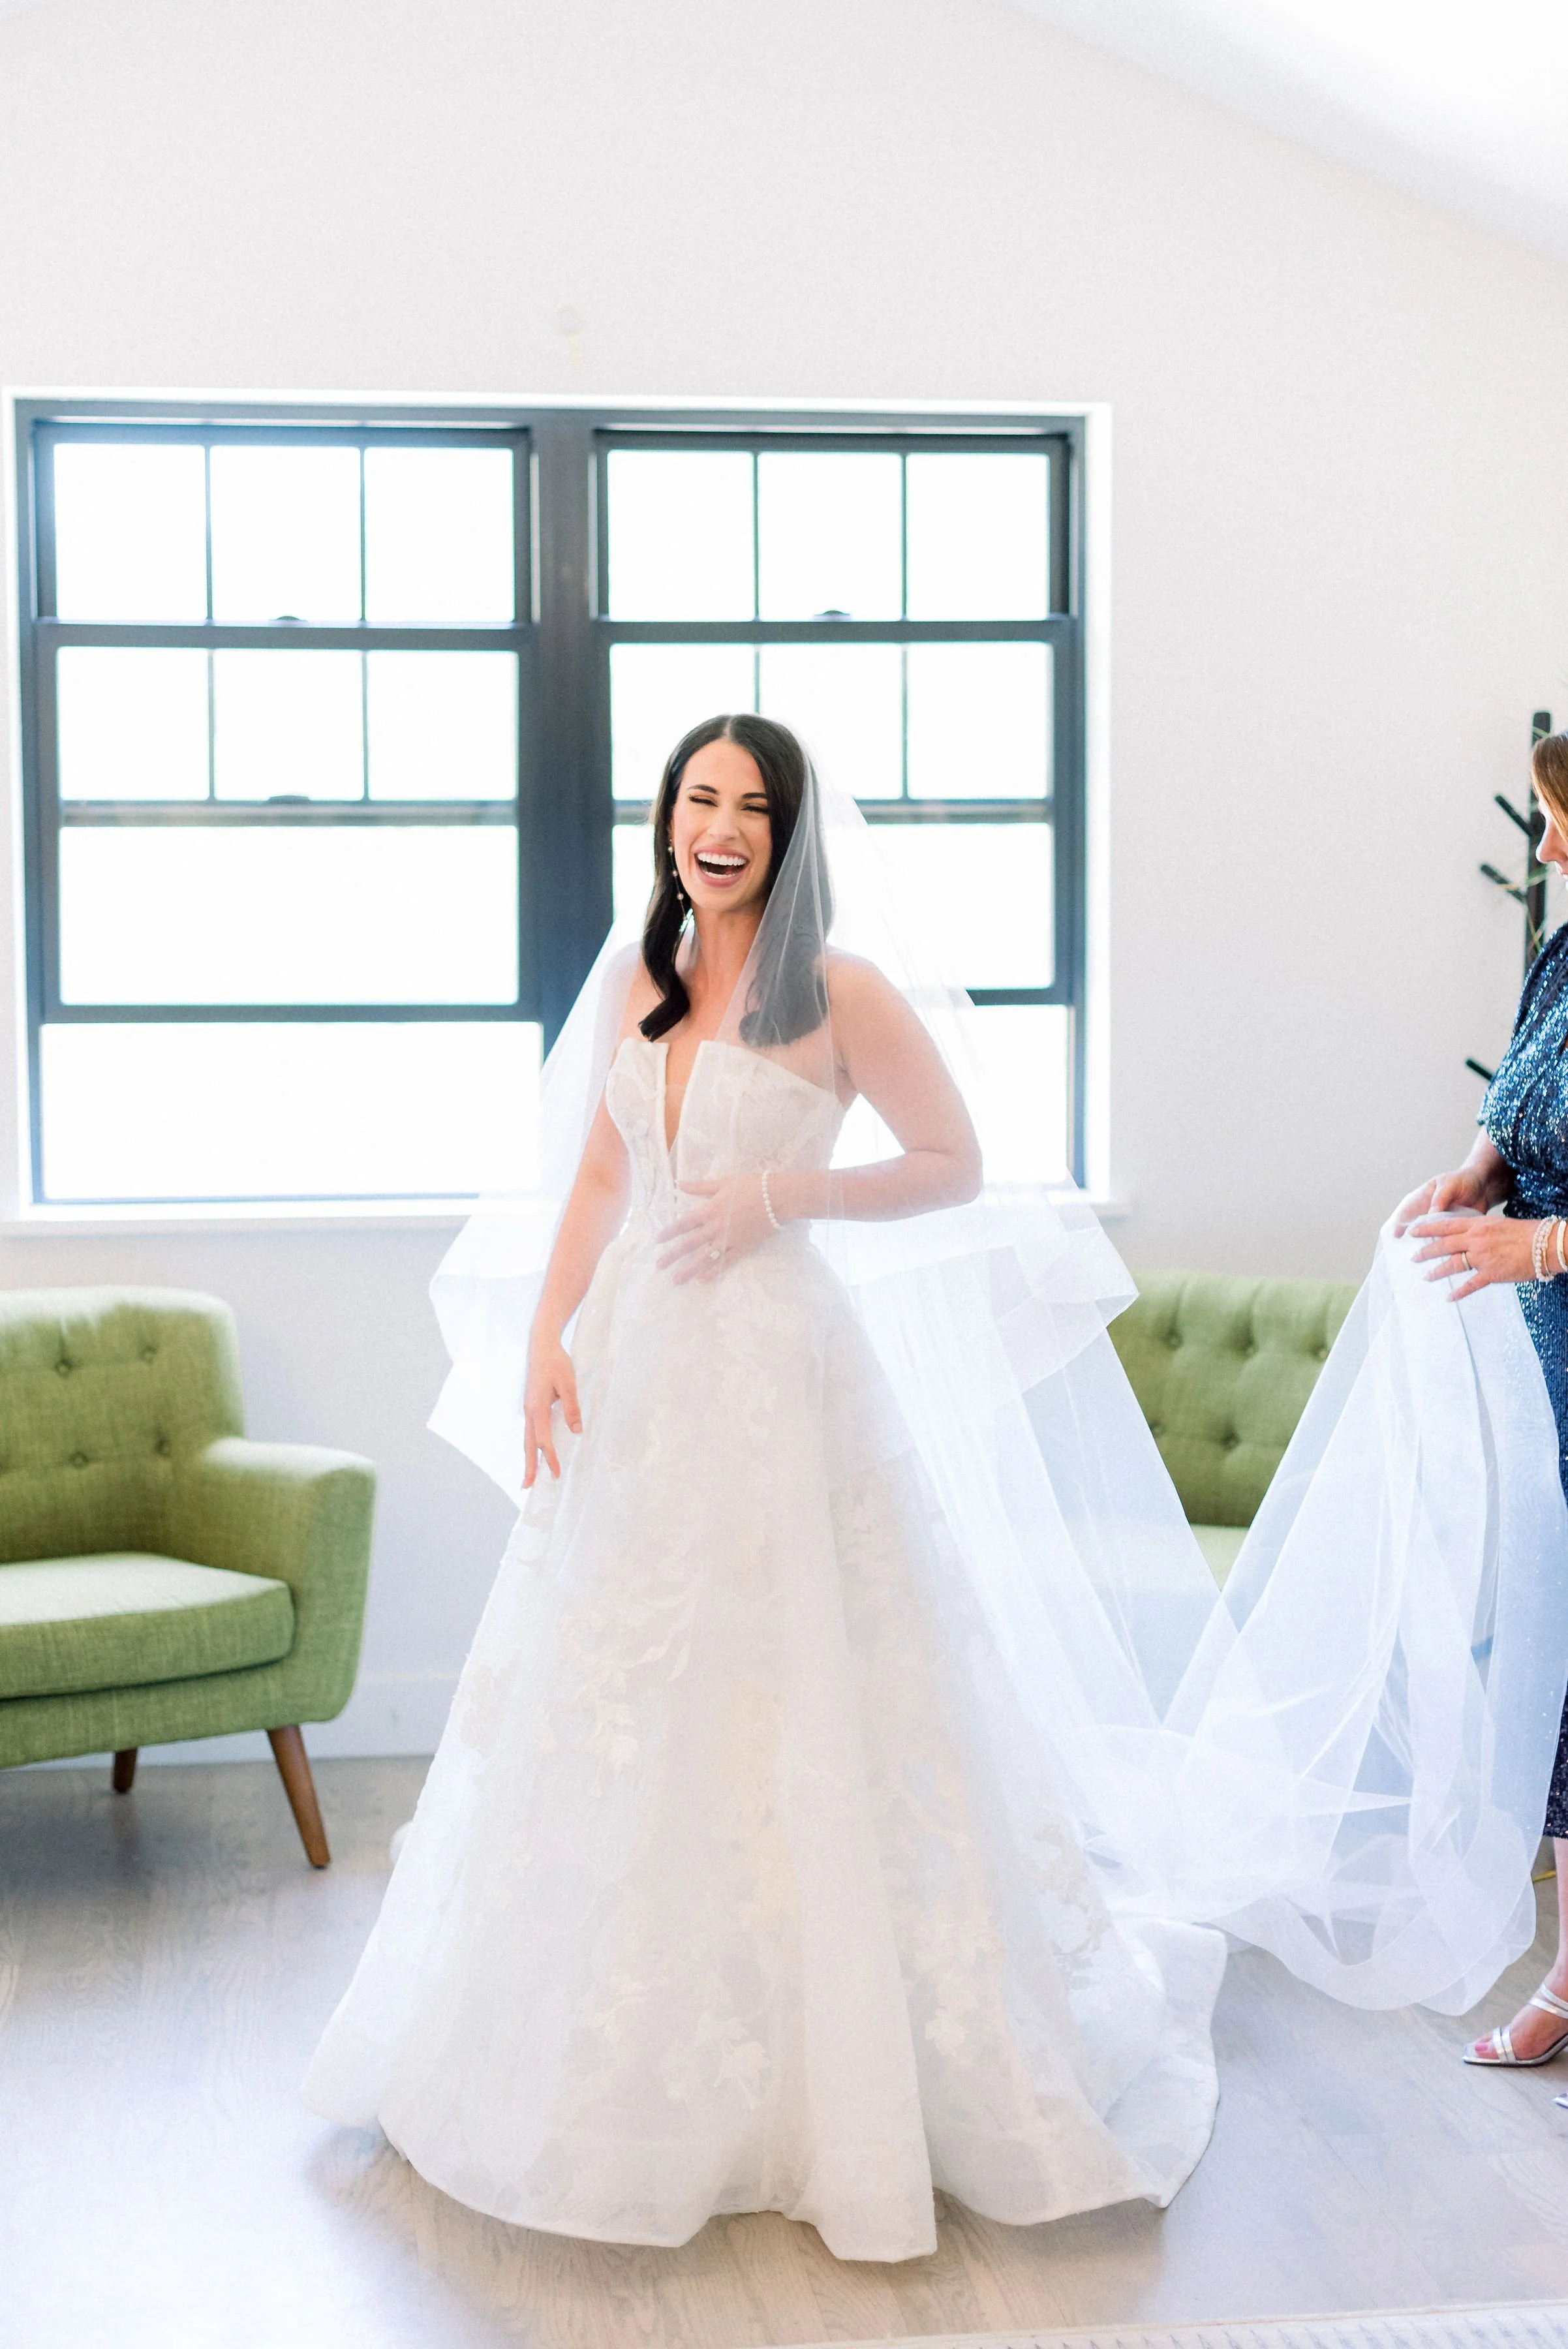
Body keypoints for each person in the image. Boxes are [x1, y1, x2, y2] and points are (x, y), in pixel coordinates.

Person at [301, 715, 1227, 2262]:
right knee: (615, 1692)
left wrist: (778, 1192)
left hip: (783, 1376)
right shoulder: (640, 985)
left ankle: (849, 2072)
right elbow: (602, 1173)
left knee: (804, 1680)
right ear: (664, 822)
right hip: (635, 1375)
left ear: (789, 833)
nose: (716, 828)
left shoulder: (839, 992)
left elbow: (952, 1162)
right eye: (695, 801)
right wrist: (544, 1340)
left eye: (749, 807)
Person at [1399, 728, 1568, 2076]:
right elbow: (1514, 1114)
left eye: (1565, 821)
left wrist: (1546, 1245)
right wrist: (1470, 1182)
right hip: (1553, 1368)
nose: (1550, 847)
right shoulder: (1563, 956)